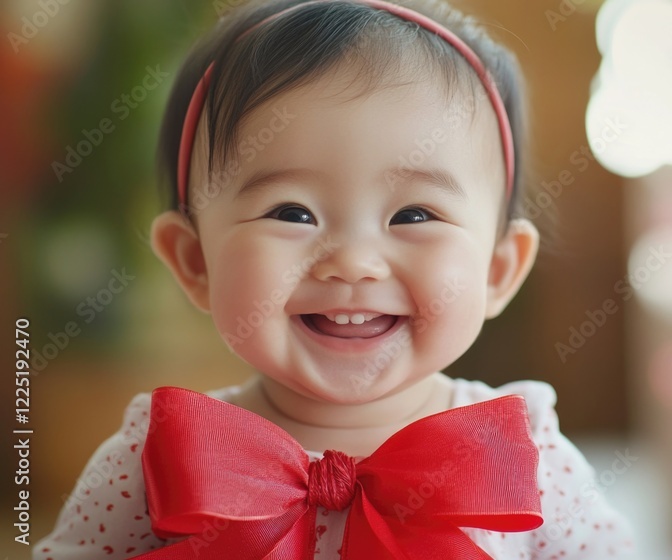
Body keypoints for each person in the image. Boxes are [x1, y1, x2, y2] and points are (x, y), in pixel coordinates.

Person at [34, 1, 636, 558]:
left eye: (414, 215)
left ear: (498, 269)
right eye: (292, 213)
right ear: (195, 261)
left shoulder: (522, 454)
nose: (353, 262)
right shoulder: (169, 453)